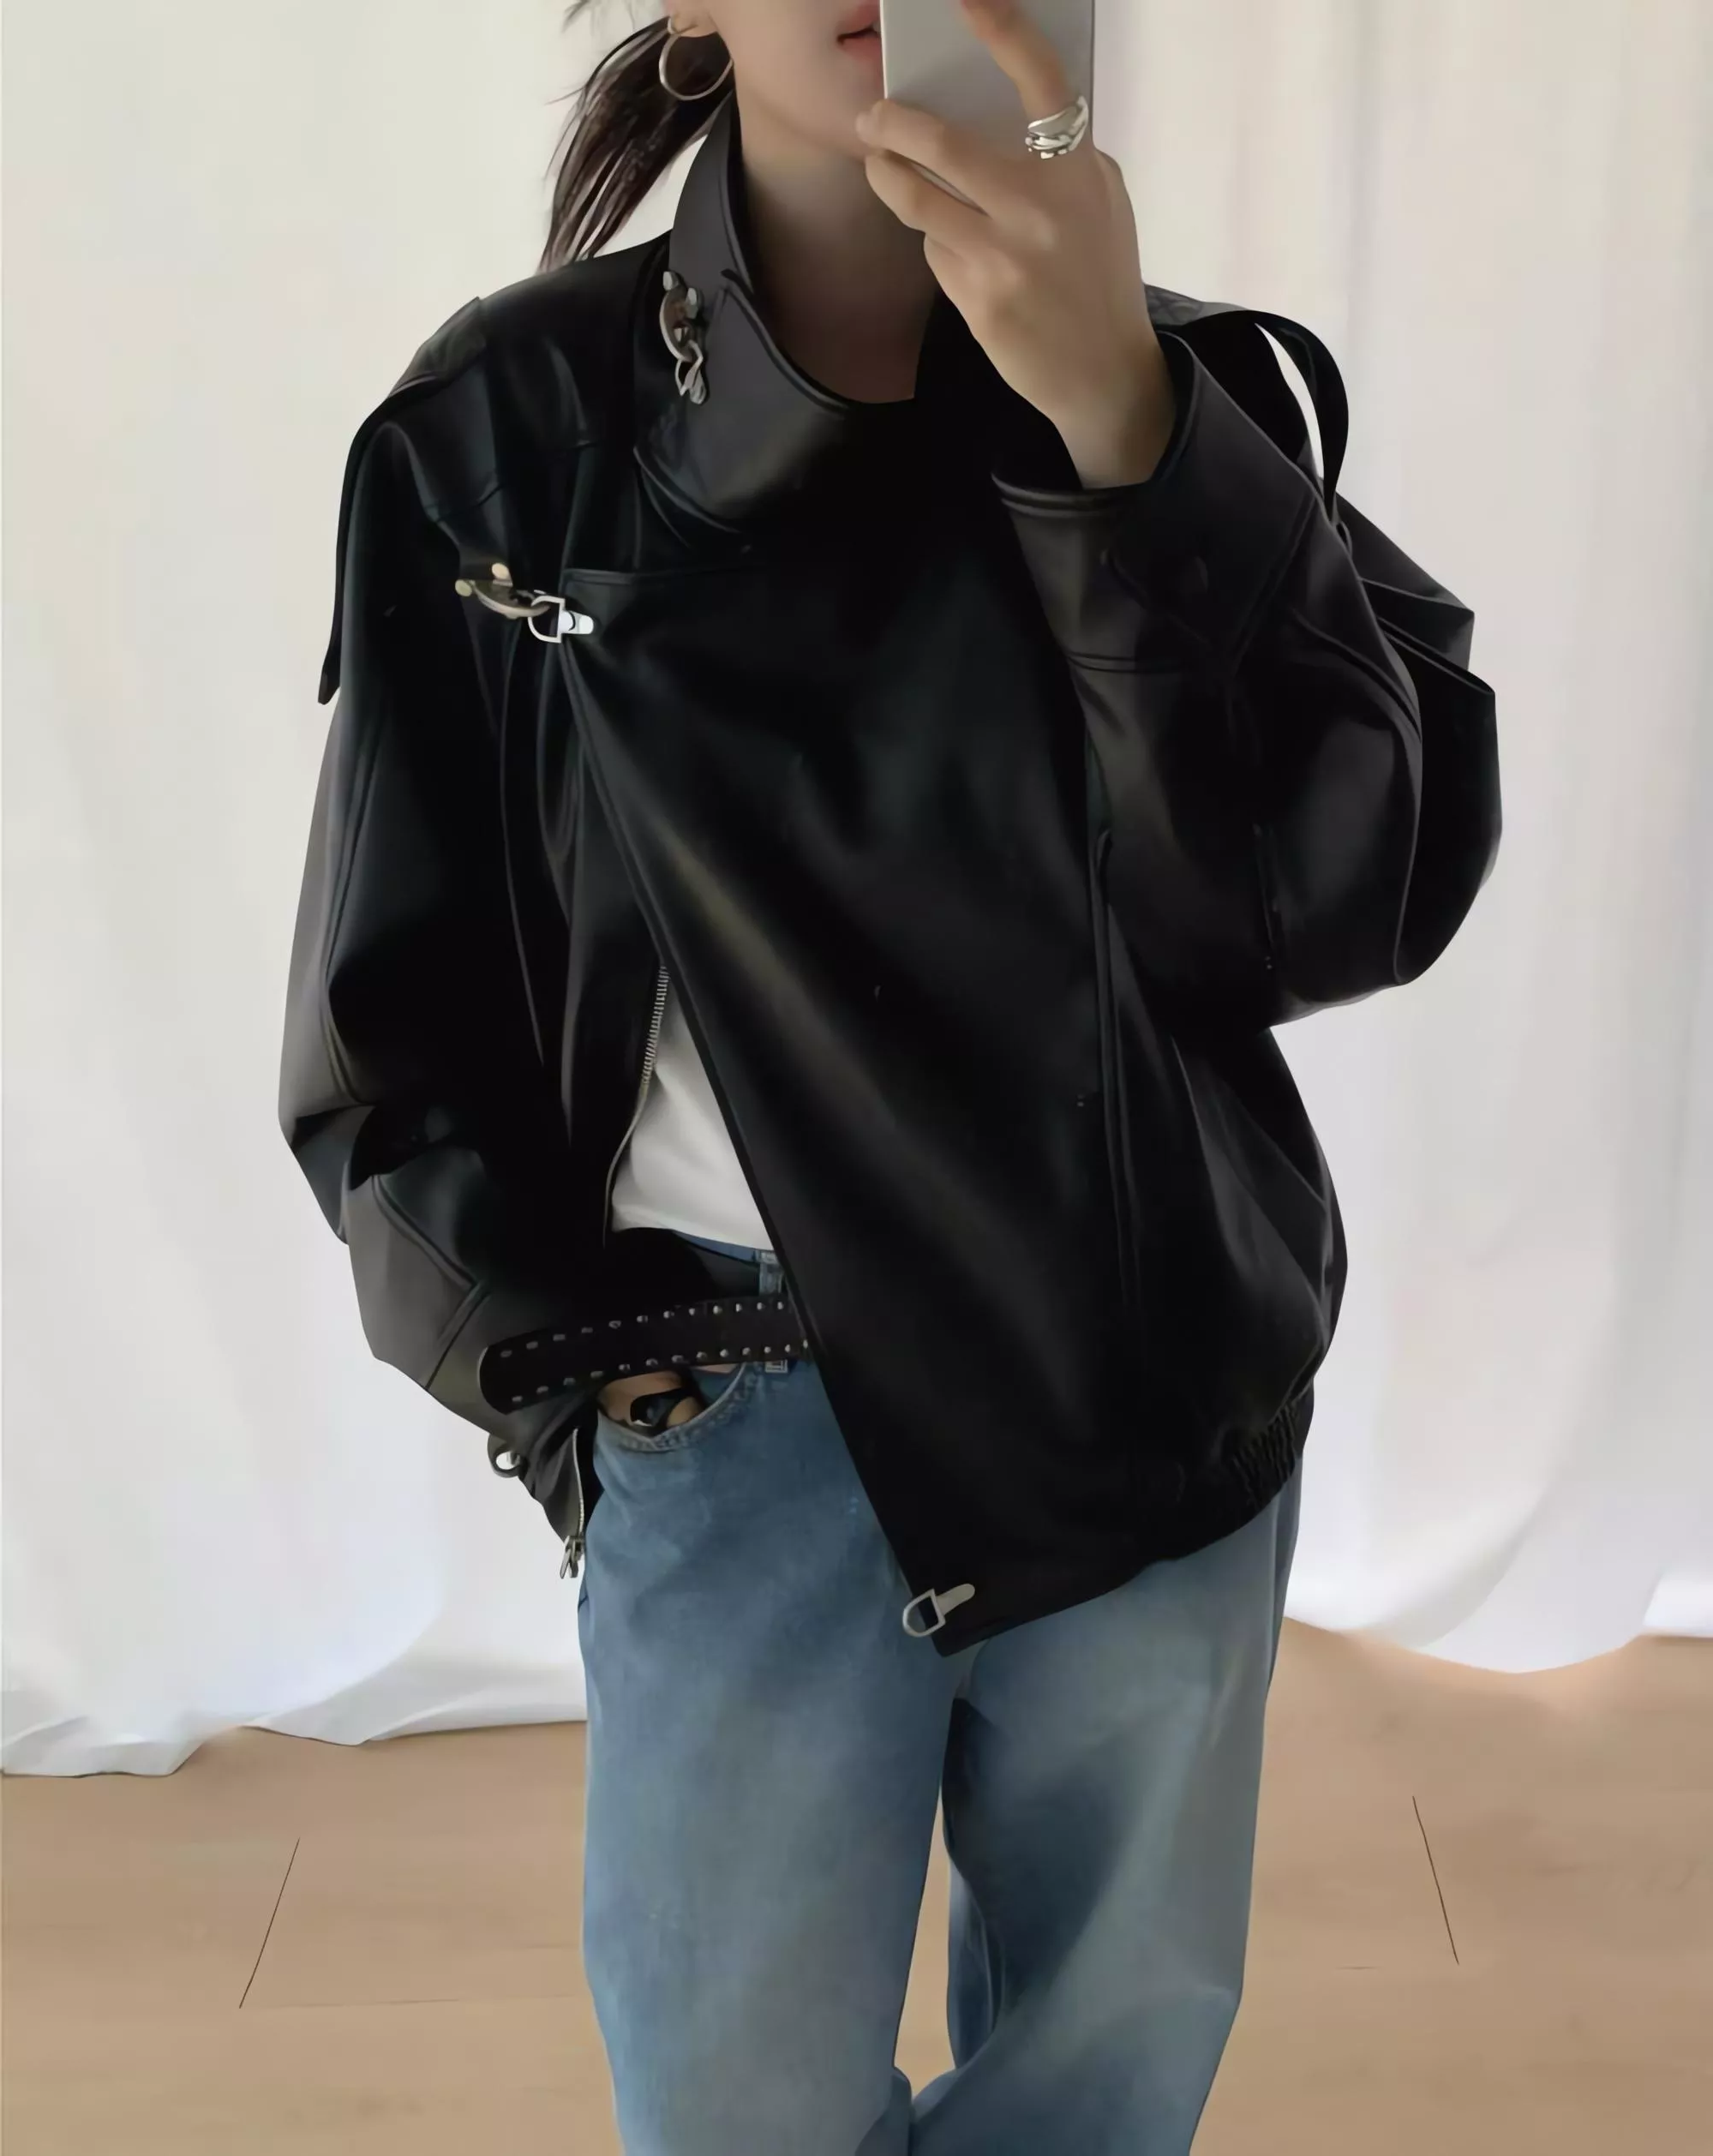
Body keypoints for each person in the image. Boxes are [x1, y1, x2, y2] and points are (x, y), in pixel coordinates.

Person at [278, 1, 1500, 2148]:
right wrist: (575, 1394)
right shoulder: (509, 425)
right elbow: (398, 1004)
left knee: (1097, 2096)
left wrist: (1127, 430)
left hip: (1145, 1391)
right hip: (730, 1398)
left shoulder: (1192, 398)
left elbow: (1327, 906)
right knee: (734, 2106)